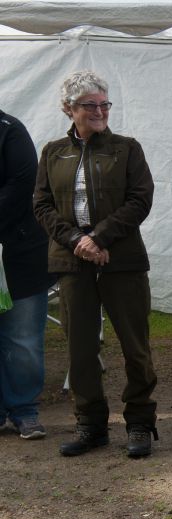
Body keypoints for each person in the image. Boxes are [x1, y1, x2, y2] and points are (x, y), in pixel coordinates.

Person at [33, 71, 159, 458]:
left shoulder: (127, 148)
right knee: (80, 348)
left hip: (122, 260)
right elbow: (41, 204)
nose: (100, 111)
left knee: (135, 346)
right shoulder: (53, 152)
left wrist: (99, 237)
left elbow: (140, 199)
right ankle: (90, 425)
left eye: (105, 104)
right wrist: (77, 241)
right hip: (73, 263)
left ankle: (139, 423)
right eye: (91, 105)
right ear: (70, 109)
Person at [0, 110, 56, 440]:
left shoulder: (10, 131)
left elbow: (22, 183)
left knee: (22, 339)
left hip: (19, 251)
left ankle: (24, 410)